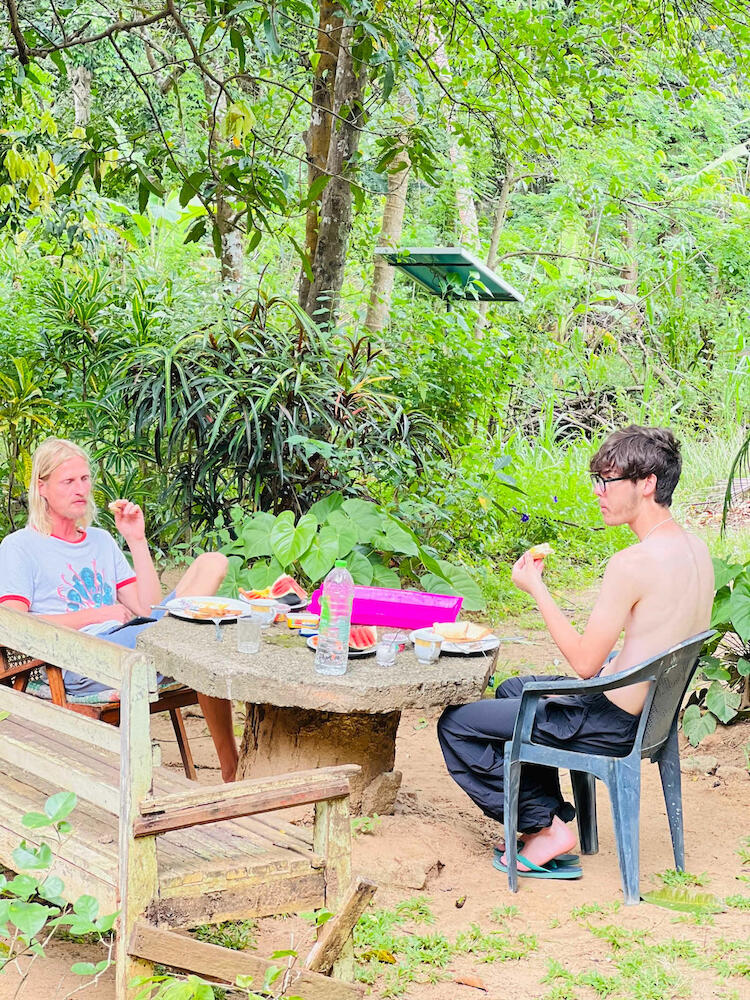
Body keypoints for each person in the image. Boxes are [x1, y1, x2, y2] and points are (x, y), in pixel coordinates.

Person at [438, 425, 714, 877]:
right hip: (650, 716)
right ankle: (544, 816)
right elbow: (660, 637)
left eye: (608, 481)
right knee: (513, 689)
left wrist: (537, 589)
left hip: (609, 722)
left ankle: (543, 828)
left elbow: (585, 664)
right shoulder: (696, 550)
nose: (598, 492)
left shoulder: (632, 564)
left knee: (456, 725)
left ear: (647, 483)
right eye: (597, 480)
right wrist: (614, 666)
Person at [0, 437, 239, 782]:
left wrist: (135, 540)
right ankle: (232, 769)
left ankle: (231, 768)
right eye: (68, 481)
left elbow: (147, 608)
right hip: (81, 659)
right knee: (201, 635)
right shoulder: (20, 546)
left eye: (84, 479)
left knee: (213, 563)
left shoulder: (100, 540)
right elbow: (13, 626)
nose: (80, 489)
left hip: (133, 638)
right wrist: (97, 615)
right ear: (42, 487)